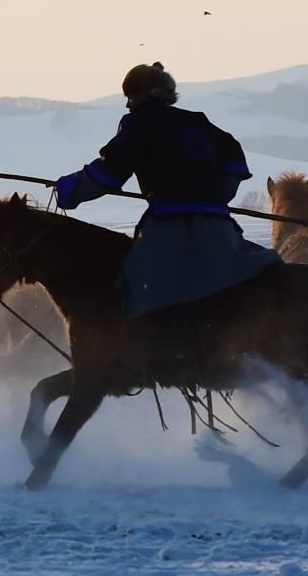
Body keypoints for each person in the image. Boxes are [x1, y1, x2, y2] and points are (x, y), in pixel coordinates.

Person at [52, 63, 279, 371]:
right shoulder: (200, 123)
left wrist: (68, 190)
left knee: (136, 281)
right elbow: (235, 162)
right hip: (219, 225)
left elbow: (107, 174)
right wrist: (212, 195)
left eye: (131, 97)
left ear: (146, 96)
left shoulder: (139, 124)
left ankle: (163, 351)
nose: (128, 104)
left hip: (170, 224)